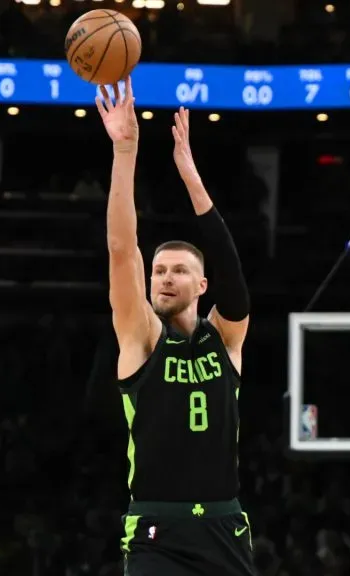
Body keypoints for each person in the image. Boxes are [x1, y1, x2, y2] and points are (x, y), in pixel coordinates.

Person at [98, 80, 254, 576]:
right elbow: (123, 250)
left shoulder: (225, 339)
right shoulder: (141, 339)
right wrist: (125, 151)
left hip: (225, 526)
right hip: (156, 530)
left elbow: (233, 275)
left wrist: (191, 178)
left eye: (178, 270)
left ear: (201, 284)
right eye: (159, 270)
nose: (164, 277)